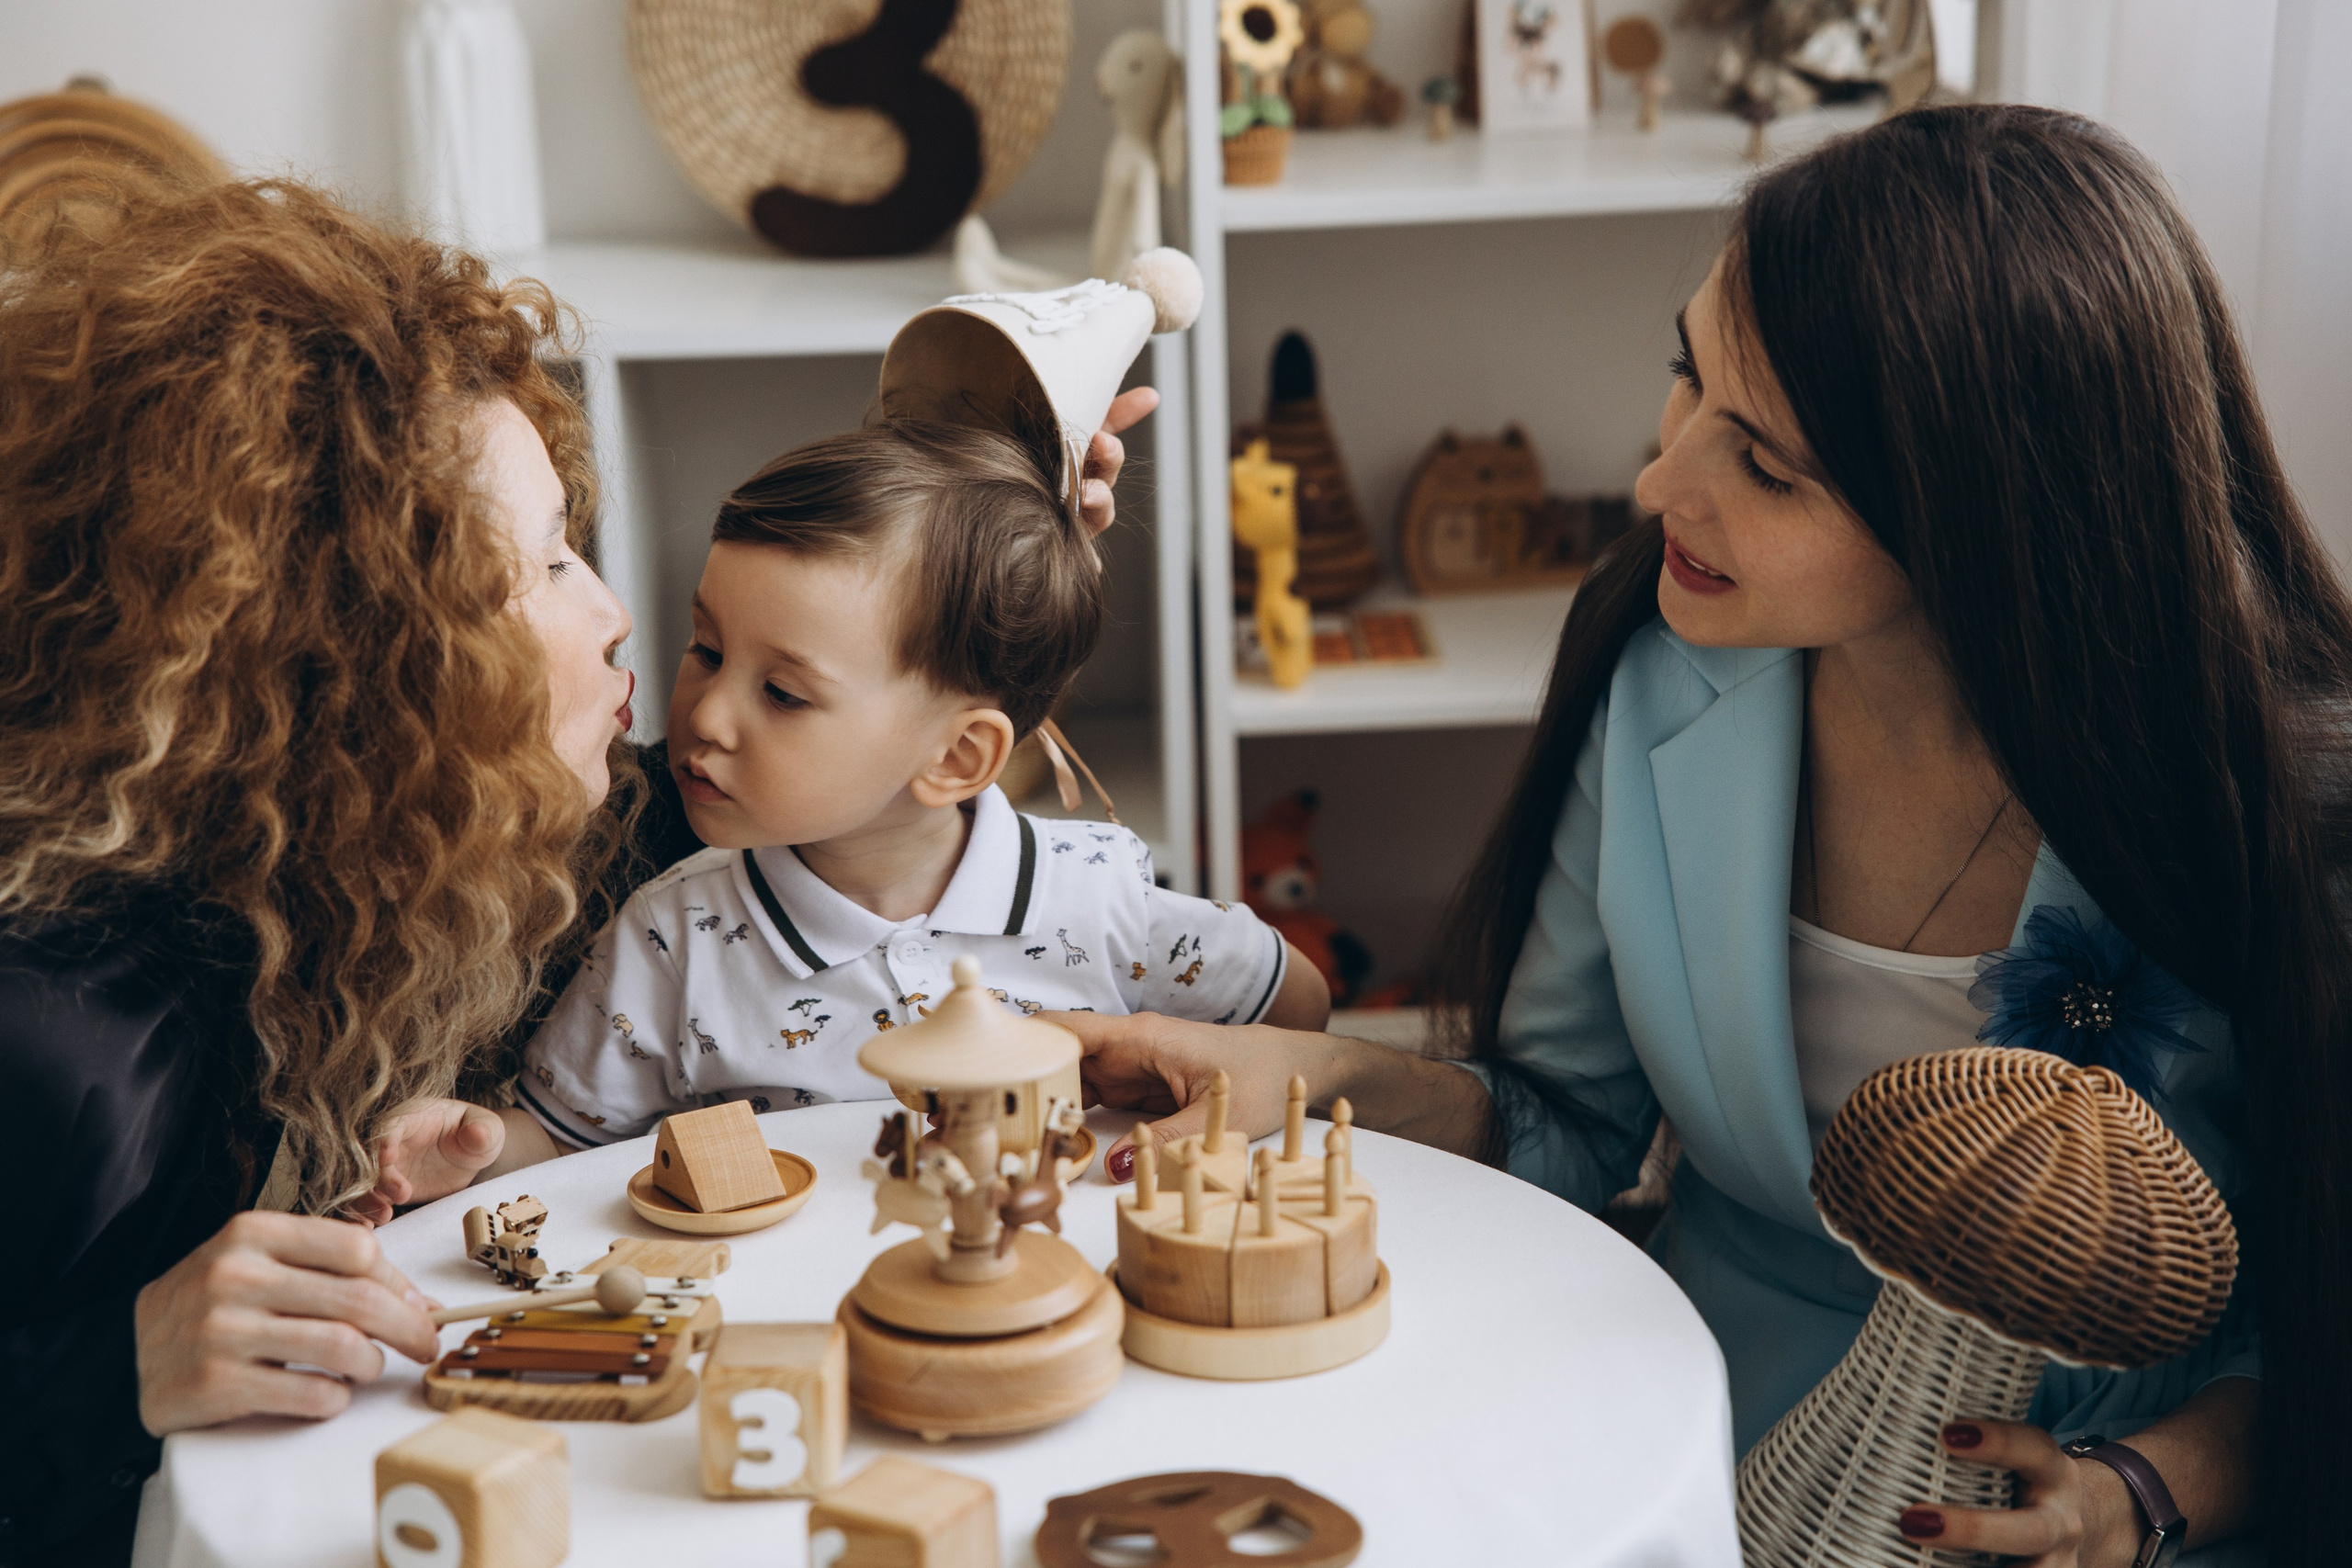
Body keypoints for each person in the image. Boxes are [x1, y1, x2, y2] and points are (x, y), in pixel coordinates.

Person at [1071, 105, 2346, 1566]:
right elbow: (1574, 1120)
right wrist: (1301, 1081)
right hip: (1702, 1425)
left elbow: (2319, 1305)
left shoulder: (2278, 794)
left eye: (1769, 465)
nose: (1662, 481)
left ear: (1989, 512)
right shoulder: (1669, 667)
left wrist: (2145, 1489)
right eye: (1689, 378)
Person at [0, 176, 1151, 1565]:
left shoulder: (501, 831)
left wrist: (979, 600)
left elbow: (850, 775)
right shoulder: (69, 1040)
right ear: (352, 661)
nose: (615, 619)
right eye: (542, 568)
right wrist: (98, 1371)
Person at [507, 420, 1328, 1157]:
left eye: (784, 693)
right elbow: (553, 1137)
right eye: (707, 649)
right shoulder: (668, 936)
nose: (707, 714)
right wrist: (468, 1145)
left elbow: (1294, 1007)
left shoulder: (1099, 892)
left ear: (958, 756)